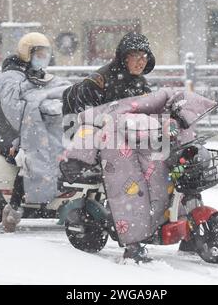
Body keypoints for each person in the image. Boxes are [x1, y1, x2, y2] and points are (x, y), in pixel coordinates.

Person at [63, 32, 159, 263]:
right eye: (135, 56)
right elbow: (87, 117)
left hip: (128, 141)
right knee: (127, 183)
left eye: (144, 56)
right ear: (123, 57)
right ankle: (132, 243)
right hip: (95, 143)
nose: (140, 61)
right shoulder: (100, 80)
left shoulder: (141, 83)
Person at [0, 32, 70, 232]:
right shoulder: (10, 77)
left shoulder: (35, 73)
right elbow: (14, 109)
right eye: (39, 53)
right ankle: (13, 210)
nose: (43, 57)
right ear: (27, 53)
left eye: (46, 53)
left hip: (30, 125)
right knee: (30, 157)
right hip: (6, 128)